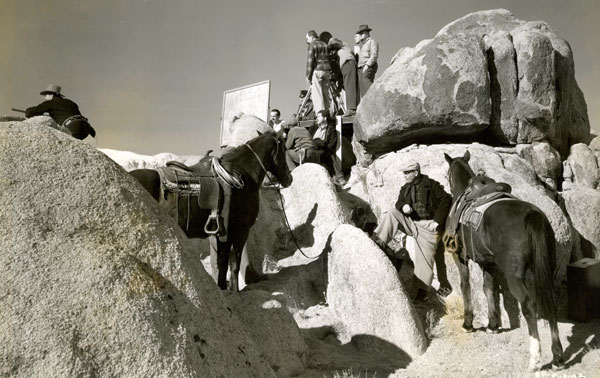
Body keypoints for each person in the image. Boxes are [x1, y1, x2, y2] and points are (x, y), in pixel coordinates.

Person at [370, 162, 451, 301]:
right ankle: (380, 241)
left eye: (407, 172)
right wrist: (404, 206)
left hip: (428, 227)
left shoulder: (431, 185)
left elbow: (446, 199)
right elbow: (398, 203)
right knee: (393, 213)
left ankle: (422, 292)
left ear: (416, 172)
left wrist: (437, 222)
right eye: (404, 172)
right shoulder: (405, 188)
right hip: (412, 223)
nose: (405, 175)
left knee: (425, 260)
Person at [25, 84, 96, 140]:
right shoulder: (71, 102)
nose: (45, 98)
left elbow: (29, 113)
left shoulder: (50, 103)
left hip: (73, 127)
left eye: (46, 95)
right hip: (87, 128)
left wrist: (28, 110)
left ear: (51, 95)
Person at [309, 110, 345, 186]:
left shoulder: (331, 129)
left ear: (325, 118)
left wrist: (323, 146)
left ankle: (339, 177)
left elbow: (332, 144)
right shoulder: (313, 128)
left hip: (323, 149)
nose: (317, 118)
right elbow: (308, 138)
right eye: (317, 117)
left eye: (319, 116)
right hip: (312, 148)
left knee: (329, 155)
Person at [328, 37, 359, 116]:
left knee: (350, 86)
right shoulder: (343, 51)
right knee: (350, 86)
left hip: (348, 63)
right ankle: (353, 108)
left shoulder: (343, 45)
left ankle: (351, 109)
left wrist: (325, 48)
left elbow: (333, 42)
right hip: (348, 64)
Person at [305, 30, 332, 116]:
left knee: (317, 94)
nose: (307, 41)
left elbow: (310, 62)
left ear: (312, 37)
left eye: (307, 38)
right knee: (325, 93)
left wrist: (308, 76)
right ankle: (327, 112)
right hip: (327, 70)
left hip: (318, 70)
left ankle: (320, 113)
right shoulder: (325, 44)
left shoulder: (312, 45)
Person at [355, 24, 379, 98]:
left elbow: (374, 55)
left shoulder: (372, 42)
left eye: (362, 33)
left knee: (366, 80)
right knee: (362, 88)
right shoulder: (362, 45)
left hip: (368, 65)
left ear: (366, 34)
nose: (361, 35)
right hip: (360, 67)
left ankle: (376, 96)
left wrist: (368, 65)